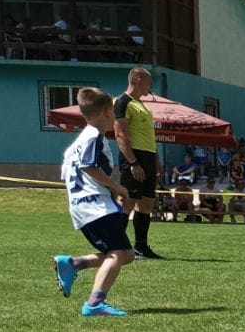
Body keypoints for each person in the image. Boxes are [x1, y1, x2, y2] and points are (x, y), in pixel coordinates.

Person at [51, 88, 136, 316]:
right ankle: (94, 304)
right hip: (95, 206)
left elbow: (69, 174)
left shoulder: (76, 144)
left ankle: (73, 264)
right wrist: (116, 187)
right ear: (107, 112)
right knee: (118, 254)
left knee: (127, 254)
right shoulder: (94, 137)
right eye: (114, 112)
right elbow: (88, 166)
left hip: (85, 205)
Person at [112, 67, 164, 259]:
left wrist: (156, 159)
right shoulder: (122, 102)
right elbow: (120, 134)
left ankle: (141, 247)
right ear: (139, 80)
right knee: (128, 201)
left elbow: (148, 135)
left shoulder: (141, 104)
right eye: (150, 82)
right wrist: (133, 163)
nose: (151, 86)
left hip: (148, 157)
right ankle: (115, 245)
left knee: (146, 203)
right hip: (135, 158)